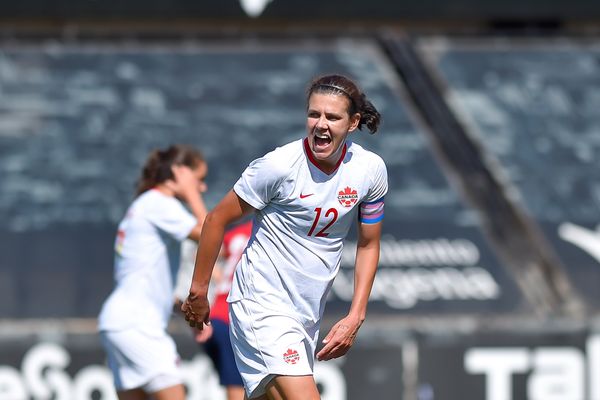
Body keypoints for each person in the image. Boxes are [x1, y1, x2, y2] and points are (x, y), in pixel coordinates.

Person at [182, 74, 388, 400]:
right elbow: (216, 219)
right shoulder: (278, 166)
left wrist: (356, 314)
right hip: (261, 305)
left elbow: (368, 243)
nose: (320, 124)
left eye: (332, 117)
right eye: (313, 114)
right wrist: (198, 291)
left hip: (306, 315)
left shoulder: (370, 170)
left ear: (353, 123)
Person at [98, 144, 209, 400]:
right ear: (178, 173)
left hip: (119, 323)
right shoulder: (160, 204)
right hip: (137, 325)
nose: (201, 187)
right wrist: (192, 194)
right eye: (198, 180)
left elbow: (144, 274)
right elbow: (210, 236)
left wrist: (182, 306)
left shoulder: (145, 204)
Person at [174, 221, 251, 400]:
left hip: (216, 318)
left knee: (249, 386)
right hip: (235, 320)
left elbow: (206, 248)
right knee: (239, 388)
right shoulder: (267, 227)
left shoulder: (238, 232)